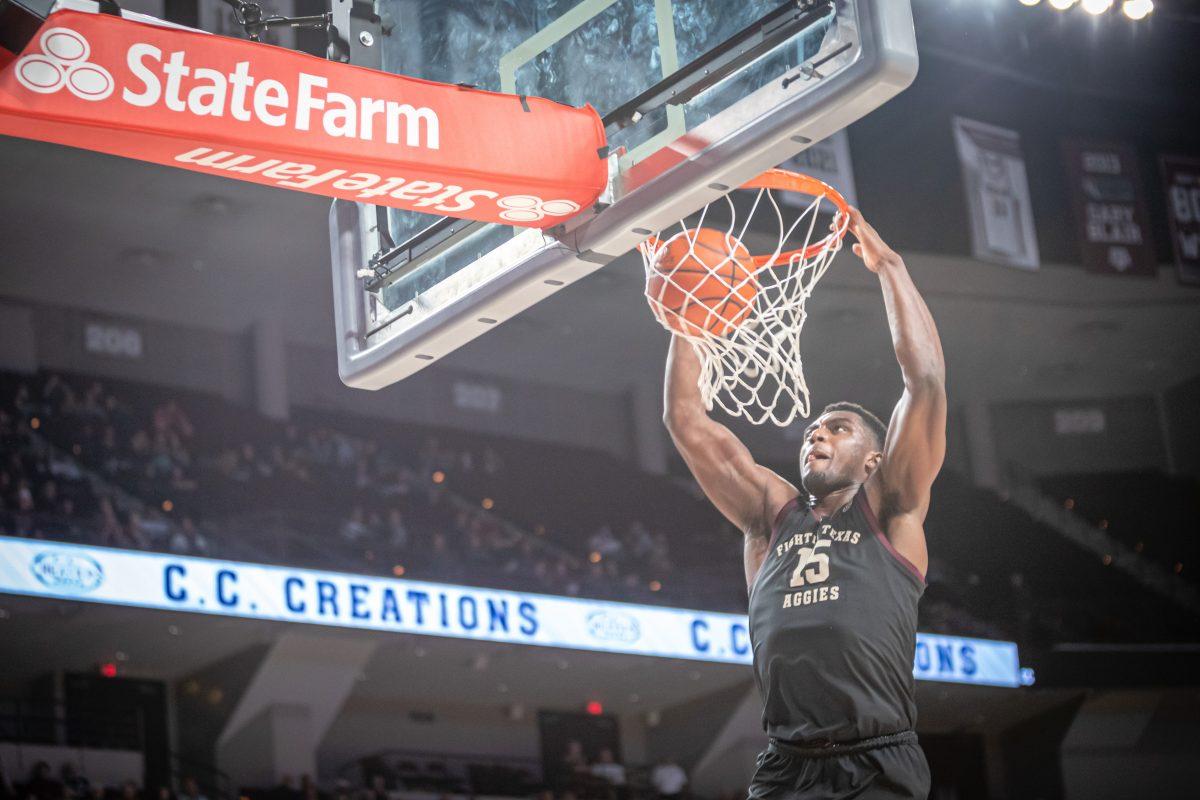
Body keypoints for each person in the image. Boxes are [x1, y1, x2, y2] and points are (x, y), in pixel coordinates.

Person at [662, 208, 945, 799]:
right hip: (785, 766)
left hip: (877, 759)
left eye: (838, 428)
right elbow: (685, 418)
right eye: (814, 428)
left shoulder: (890, 508)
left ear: (875, 459)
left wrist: (890, 267)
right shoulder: (772, 515)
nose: (817, 434)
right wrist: (688, 314)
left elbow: (925, 383)